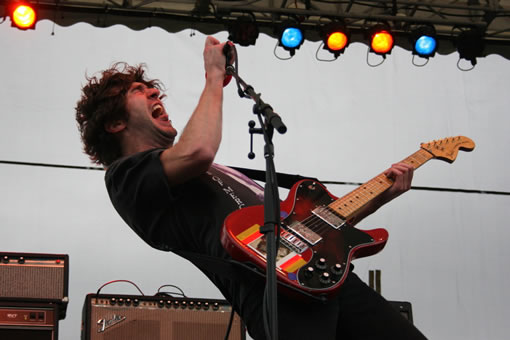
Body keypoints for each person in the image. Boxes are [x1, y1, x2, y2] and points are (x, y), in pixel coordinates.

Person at [75, 36, 427, 340]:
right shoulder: (126, 178)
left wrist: (382, 194)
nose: (154, 91)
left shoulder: (212, 171)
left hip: (324, 275)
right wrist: (214, 76)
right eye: (139, 91)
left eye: (151, 88)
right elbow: (198, 150)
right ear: (116, 122)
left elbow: (310, 224)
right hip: (274, 293)